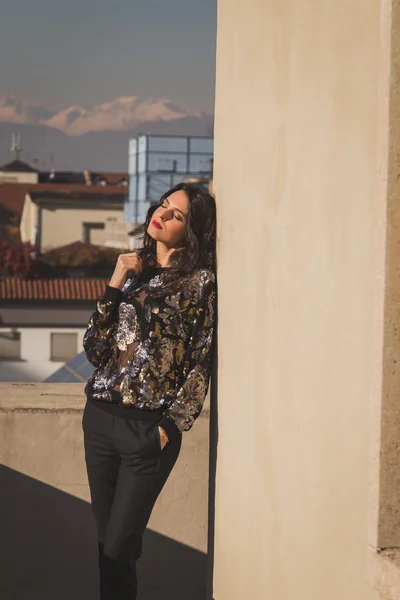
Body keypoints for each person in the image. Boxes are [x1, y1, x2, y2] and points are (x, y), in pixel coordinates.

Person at [82, 182, 217, 599]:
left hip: (147, 432)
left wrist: (167, 430)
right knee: (109, 549)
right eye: (163, 205)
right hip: (101, 419)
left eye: (177, 215)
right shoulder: (132, 270)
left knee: (120, 546)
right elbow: (94, 348)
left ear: (191, 231)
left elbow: (201, 360)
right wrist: (114, 282)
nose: (163, 214)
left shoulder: (200, 283)